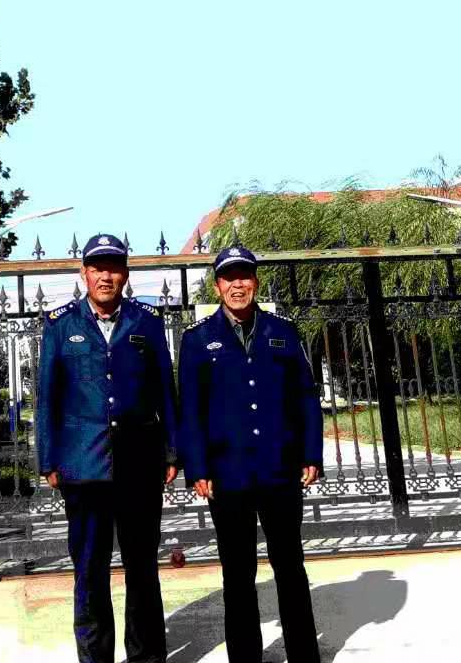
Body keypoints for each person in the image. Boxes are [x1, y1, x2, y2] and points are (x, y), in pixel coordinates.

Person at [37, 233, 179, 663]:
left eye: (113, 268)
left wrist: (172, 451)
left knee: (142, 569)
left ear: (125, 274)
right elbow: (48, 397)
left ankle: (147, 656)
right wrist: (48, 459)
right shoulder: (61, 324)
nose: (105, 276)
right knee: (89, 571)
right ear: (84, 273)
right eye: (97, 268)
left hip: (139, 464)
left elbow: (165, 390)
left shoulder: (146, 321)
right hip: (83, 466)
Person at [178, 243, 323, 663]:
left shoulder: (283, 331)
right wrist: (197, 468)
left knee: (290, 566)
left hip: (280, 470)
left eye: (244, 276)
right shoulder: (198, 339)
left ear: (255, 282)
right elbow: (190, 411)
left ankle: (304, 655)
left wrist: (311, 453)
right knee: (238, 574)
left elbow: (306, 397)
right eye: (229, 278)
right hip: (229, 475)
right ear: (218, 286)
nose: (237, 285)